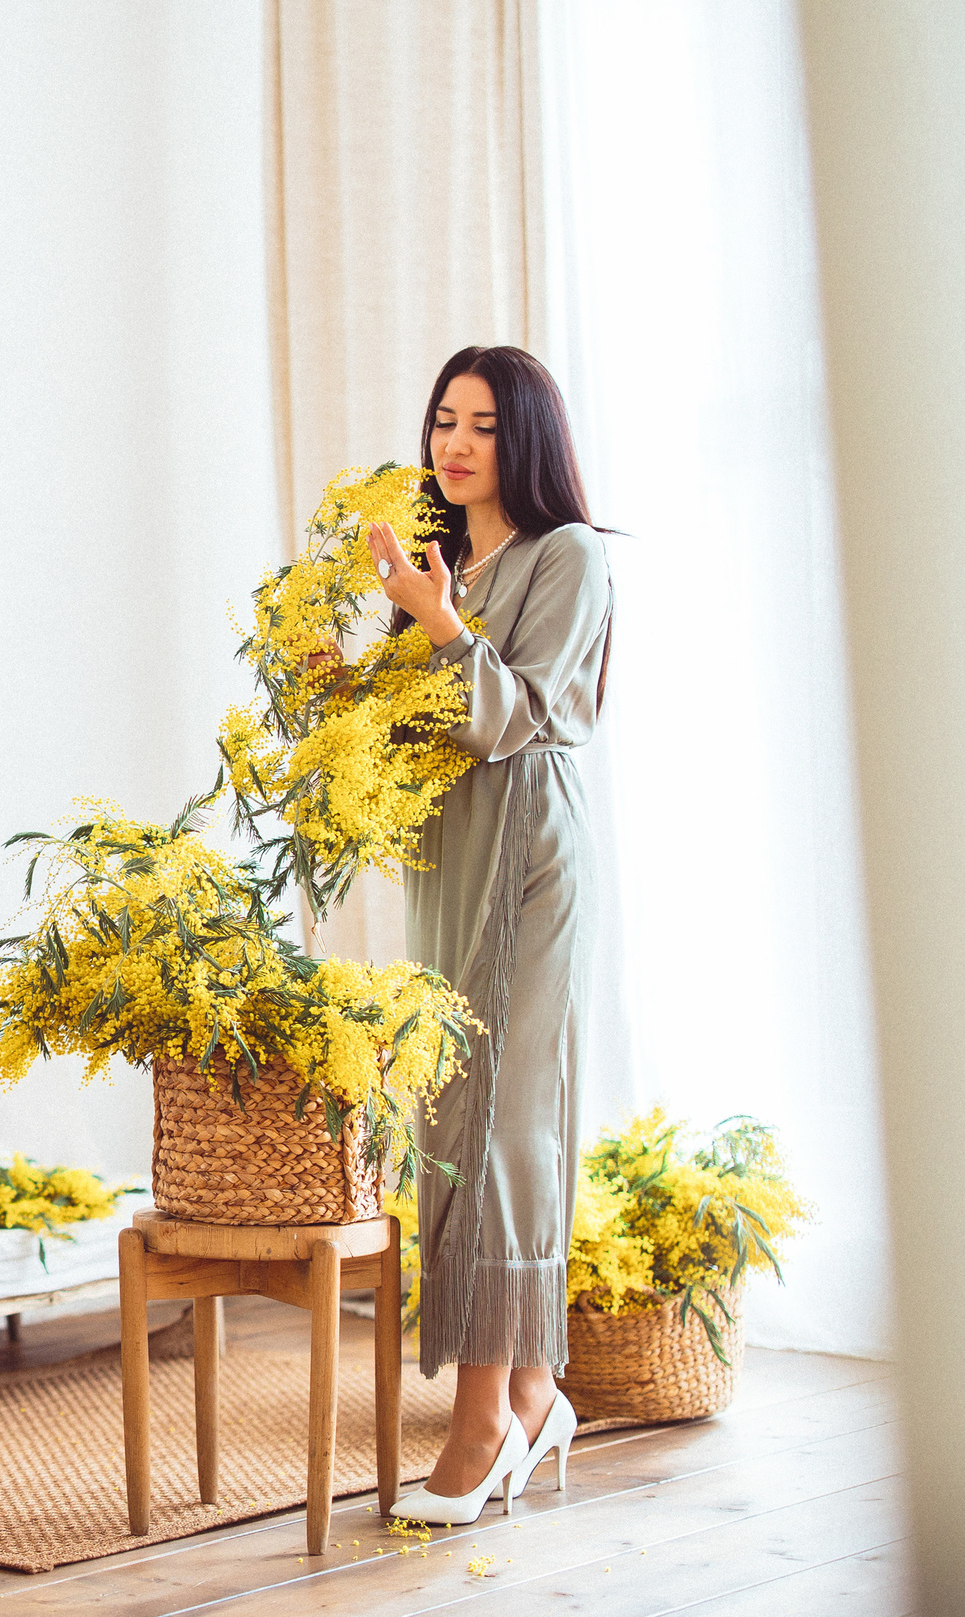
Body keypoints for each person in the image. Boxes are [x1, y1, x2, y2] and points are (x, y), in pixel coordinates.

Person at [375, 345, 613, 1526]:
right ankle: (531, 1391)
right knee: (461, 1110)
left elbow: (520, 721)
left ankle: (484, 1422)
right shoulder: (444, 561)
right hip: (448, 861)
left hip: (522, 858)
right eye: (441, 421)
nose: (453, 444)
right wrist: (355, 674)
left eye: (479, 424)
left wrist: (441, 630)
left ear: (522, 438)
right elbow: (420, 731)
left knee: (498, 1118)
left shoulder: (566, 558)